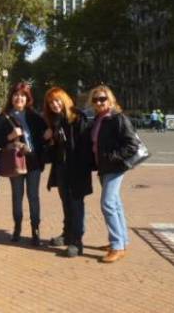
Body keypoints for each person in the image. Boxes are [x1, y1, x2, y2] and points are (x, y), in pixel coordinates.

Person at [89, 85, 138, 263]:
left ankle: (117, 246)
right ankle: (121, 241)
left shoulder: (118, 118)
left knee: (107, 203)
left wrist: (112, 157)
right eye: (96, 100)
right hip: (103, 167)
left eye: (103, 98)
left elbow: (132, 145)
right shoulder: (99, 119)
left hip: (115, 167)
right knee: (115, 204)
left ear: (111, 99)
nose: (99, 102)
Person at [0, 82, 47, 246]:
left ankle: (35, 230)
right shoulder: (3, 117)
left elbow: (45, 135)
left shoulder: (35, 116)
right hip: (15, 161)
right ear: (12, 97)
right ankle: (17, 227)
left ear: (27, 98)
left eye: (23, 95)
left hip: (33, 161)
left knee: (33, 196)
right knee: (17, 196)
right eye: (16, 95)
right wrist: (10, 137)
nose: (19, 98)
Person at [43, 87, 92, 257]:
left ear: (64, 100)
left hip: (77, 170)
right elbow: (53, 151)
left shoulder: (77, 118)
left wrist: (79, 169)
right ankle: (67, 234)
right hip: (61, 168)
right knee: (66, 203)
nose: (54, 105)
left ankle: (77, 242)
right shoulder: (56, 121)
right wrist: (48, 140)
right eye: (51, 103)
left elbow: (84, 148)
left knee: (76, 205)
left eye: (57, 101)